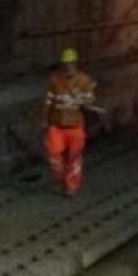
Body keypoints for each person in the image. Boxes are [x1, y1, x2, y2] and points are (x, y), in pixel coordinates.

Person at [43, 47, 96, 198]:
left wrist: (81, 99)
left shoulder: (83, 80)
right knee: (53, 155)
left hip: (75, 126)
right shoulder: (55, 80)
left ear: (75, 63)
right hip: (56, 124)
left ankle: (70, 187)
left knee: (74, 159)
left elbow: (90, 101)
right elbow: (48, 102)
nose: (68, 67)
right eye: (66, 64)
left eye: (71, 63)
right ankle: (59, 177)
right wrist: (44, 120)